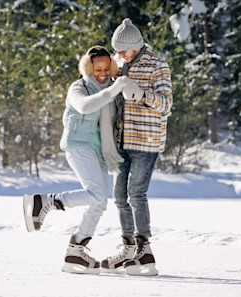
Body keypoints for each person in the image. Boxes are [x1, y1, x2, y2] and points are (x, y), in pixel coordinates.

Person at [23, 46, 133, 275]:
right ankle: (44, 202)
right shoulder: (79, 88)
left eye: (106, 68)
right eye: (97, 69)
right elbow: (85, 105)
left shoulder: (110, 87)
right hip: (78, 147)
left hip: (100, 151)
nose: (102, 73)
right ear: (88, 68)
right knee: (96, 195)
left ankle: (76, 250)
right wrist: (115, 88)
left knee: (100, 201)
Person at [100, 18, 173, 276]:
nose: (118, 55)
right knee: (119, 197)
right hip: (122, 141)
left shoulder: (157, 65)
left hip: (146, 141)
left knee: (136, 195)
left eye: (123, 51)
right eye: (116, 51)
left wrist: (142, 95)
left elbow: (166, 104)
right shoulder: (119, 64)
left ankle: (145, 251)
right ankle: (128, 248)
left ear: (137, 45)